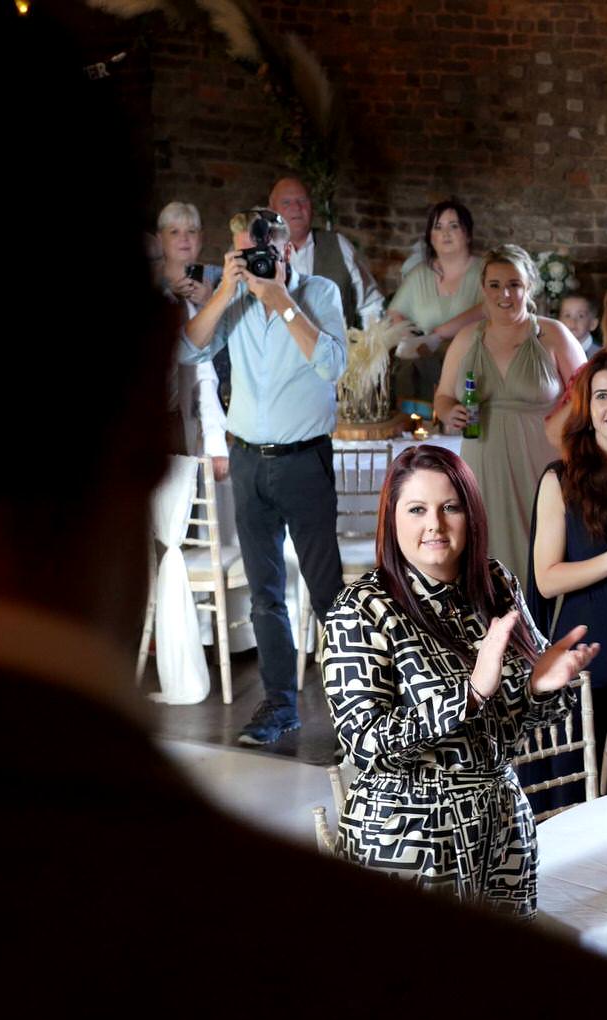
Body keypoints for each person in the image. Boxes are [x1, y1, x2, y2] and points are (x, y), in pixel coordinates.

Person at [0, 8, 607, 1020]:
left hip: (491, 841)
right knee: (278, 598)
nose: (438, 531)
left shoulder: (332, 309)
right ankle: (274, 701)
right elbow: (374, 747)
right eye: (420, 515)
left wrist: (530, 687)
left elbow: (340, 372)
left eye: (445, 516)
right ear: (140, 425)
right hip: (416, 856)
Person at [324, 445, 600, 916]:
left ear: (470, 514)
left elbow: (513, 728)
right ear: (392, 519)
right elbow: (365, 742)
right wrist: (469, 692)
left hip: (501, 827)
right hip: (408, 835)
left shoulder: (495, 583)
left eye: (449, 507)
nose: (434, 524)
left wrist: (540, 687)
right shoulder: (361, 608)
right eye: (416, 510)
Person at [178, 206, 348, 747]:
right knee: (265, 596)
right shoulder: (234, 300)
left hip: (305, 462)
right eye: (243, 253)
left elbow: (333, 366)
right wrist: (227, 291)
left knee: (325, 594)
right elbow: (187, 346)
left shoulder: (319, 293)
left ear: (286, 250)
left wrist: (284, 302)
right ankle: (279, 707)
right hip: (249, 462)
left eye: (262, 253)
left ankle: (355, 709)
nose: (254, 262)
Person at [436, 245, 586, 583]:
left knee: (545, 547)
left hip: (540, 460)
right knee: (487, 548)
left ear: (528, 287)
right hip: (483, 461)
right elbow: (443, 396)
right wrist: (450, 412)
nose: (504, 294)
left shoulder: (552, 335)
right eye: (495, 285)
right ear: (483, 288)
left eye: (514, 284)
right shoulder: (466, 339)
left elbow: (589, 393)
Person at [530, 350, 607, 811]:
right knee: (583, 789)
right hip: (591, 641)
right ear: (587, 407)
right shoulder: (561, 479)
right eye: (602, 395)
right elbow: (546, 579)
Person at [386, 198, 486, 406]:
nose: (445, 233)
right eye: (438, 227)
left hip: (471, 366)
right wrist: (411, 339)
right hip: (424, 363)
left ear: (467, 234)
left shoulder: (485, 271)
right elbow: (395, 313)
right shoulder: (419, 274)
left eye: (454, 226)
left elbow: (488, 308)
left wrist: (440, 333)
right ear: (431, 237)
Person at [155, 200, 228, 478]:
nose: (184, 239)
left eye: (191, 231)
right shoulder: (156, 291)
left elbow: (233, 346)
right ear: (160, 239)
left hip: (219, 410)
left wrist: (212, 301)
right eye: (174, 232)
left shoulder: (222, 279)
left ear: (202, 238)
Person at [268, 174, 385, 330]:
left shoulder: (338, 245)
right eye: (286, 202)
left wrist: (371, 348)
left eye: (302, 201)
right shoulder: (260, 252)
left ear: (312, 207)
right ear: (272, 210)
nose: (296, 207)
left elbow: (371, 304)